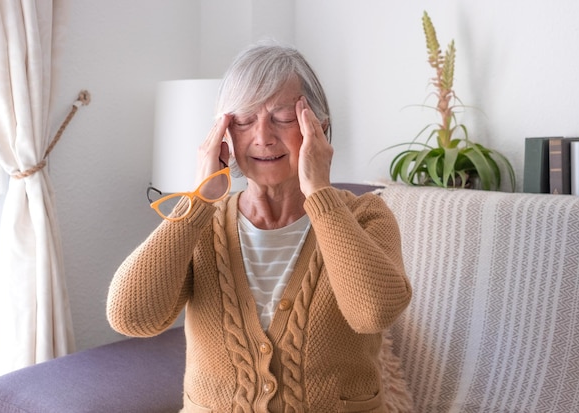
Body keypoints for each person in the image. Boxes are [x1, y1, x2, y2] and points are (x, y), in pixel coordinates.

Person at [107, 41, 412, 412]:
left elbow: (373, 314)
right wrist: (200, 198)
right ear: (224, 136)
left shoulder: (366, 216)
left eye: (283, 118)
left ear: (319, 128)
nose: (263, 136)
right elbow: (131, 317)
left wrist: (318, 191)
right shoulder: (201, 224)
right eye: (244, 120)